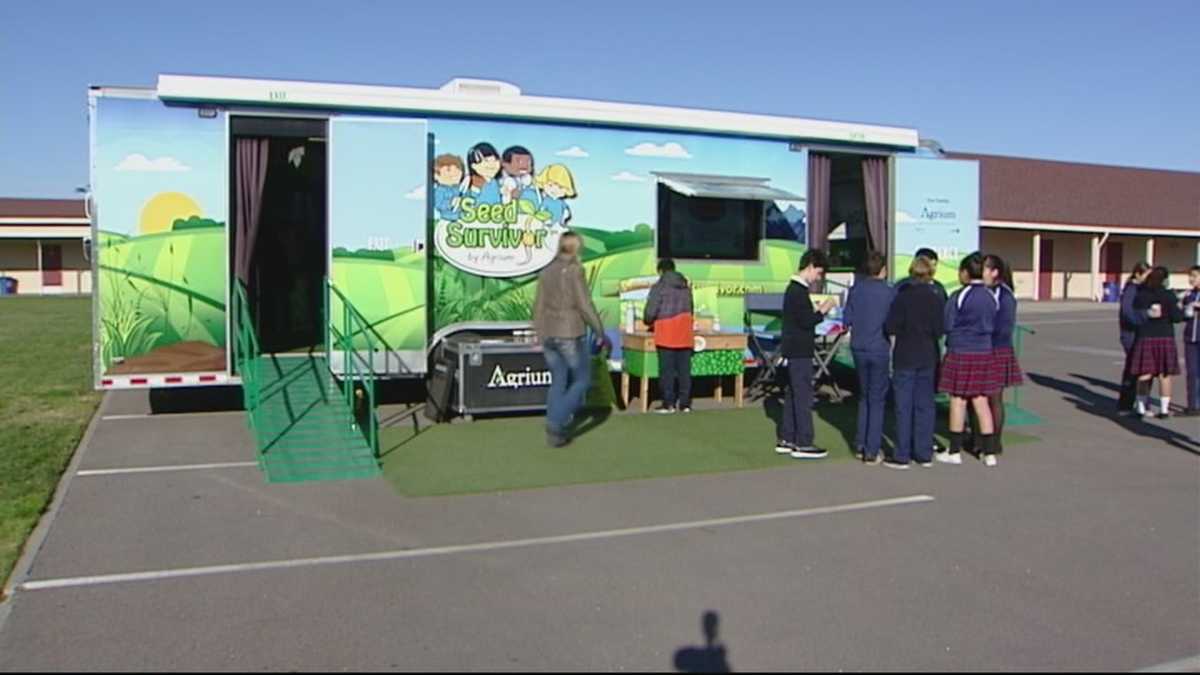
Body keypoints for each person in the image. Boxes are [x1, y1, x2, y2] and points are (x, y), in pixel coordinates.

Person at [533, 231, 610, 447]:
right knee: (582, 381)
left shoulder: (546, 271)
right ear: (576, 247)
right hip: (569, 332)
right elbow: (584, 304)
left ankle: (555, 427)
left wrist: (539, 332)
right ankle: (556, 422)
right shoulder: (575, 270)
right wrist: (600, 331)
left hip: (548, 332)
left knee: (558, 380)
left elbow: (538, 304)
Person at [937, 252, 1001, 467]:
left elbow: (947, 323)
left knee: (958, 400)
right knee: (981, 400)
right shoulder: (991, 296)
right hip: (984, 352)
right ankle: (989, 453)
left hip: (961, 351)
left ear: (965, 272)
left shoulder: (959, 295)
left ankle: (954, 451)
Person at [776, 250, 837, 460]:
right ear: (810, 266)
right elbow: (806, 321)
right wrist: (823, 310)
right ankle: (804, 442)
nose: (818, 278)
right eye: (818, 273)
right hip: (800, 350)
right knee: (802, 395)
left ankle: (787, 438)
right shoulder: (798, 291)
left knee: (792, 393)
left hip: (792, 349)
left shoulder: (792, 289)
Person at [885, 255, 944, 469]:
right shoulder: (936, 298)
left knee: (903, 406)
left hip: (905, 354)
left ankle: (902, 454)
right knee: (925, 406)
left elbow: (891, 326)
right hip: (927, 355)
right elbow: (940, 329)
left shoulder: (902, 298)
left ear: (911, 272)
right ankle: (924, 453)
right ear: (930, 273)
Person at [842, 251, 895, 465]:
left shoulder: (856, 290)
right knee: (877, 399)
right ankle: (872, 449)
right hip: (879, 347)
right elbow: (893, 323)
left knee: (864, 396)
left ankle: (861, 444)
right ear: (883, 270)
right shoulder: (890, 292)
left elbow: (847, 319)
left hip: (859, 347)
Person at [1130, 266, 1183, 419]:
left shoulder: (1141, 295)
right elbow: (1177, 317)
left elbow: (1135, 314)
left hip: (1145, 336)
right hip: (1165, 336)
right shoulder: (1169, 295)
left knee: (1144, 373)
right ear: (1165, 279)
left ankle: (1140, 408)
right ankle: (1164, 410)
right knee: (1164, 374)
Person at [984, 254, 1024, 456]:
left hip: (998, 350)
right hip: (982, 349)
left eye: (984, 268)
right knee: (980, 398)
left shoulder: (1005, 295)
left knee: (994, 398)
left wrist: (985, 334)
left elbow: (1004, 328)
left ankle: (994, 442)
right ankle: (980, 438)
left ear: (995, 272)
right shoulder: (984, 292)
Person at [643, 258, 695, 414]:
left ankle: (668, 404)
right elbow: (691, 309)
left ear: (660, 271)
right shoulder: (685, 287)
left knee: (667, 371)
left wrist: (647, 321)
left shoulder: (659, 287)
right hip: (684, 332)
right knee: (684, 371)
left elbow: (651, 312)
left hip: (666, 332)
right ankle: (685, 404)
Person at [1118, 262, 1154, 412]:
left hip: (1141, 334)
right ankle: (1125, 404)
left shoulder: (1143, 289)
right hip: (1131, 334)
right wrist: (1144, 317)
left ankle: (1143, 402)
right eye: (1147, 275)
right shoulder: (1131, 289)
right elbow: (1127, 313)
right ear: (1138, 274)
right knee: (1132, 370)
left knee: (1145, 370)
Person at [1181, 266, 1200, 416]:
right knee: (1192, 372)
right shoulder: (1189, 295)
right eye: (1190, 276)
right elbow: (1182, 314)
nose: (1191, 279)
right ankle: (1192, 405)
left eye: (1194, 276)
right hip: (1190, 338)